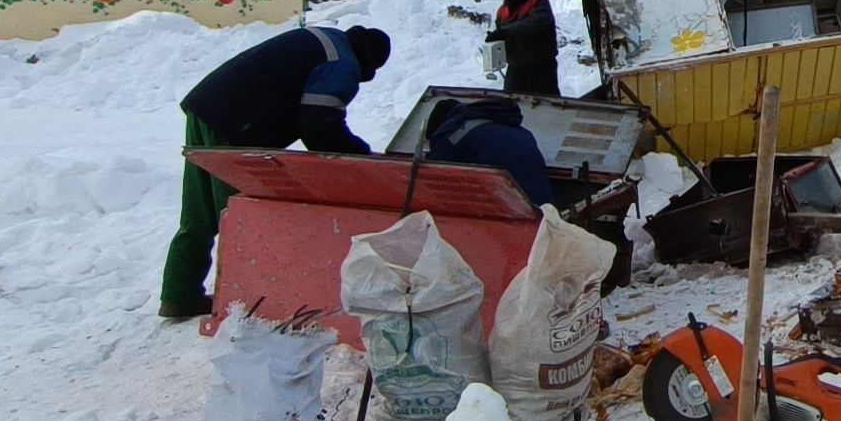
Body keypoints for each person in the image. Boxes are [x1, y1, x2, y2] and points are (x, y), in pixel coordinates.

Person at [159, 24, 392, 319]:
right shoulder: (343, 63)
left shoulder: (328, 40)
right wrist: (360, 159)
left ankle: (179, 295)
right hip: (237, 121)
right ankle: (245, 301)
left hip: (207, 106)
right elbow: (319, 123)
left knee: (199, 211)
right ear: (369, 64)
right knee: (243, 215)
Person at [422, 97, 554, 208]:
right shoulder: (510, 125)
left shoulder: (453, 132)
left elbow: (434, 177)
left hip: (513, 209)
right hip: (544, 207)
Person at [487, 0, 559, 95]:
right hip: (515, 69)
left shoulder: (538, 3)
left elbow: (534, 24)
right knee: (511, 107)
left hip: (541, 69)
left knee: (547, 108)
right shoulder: (503, 10)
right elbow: (502, 34)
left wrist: (505, 32)